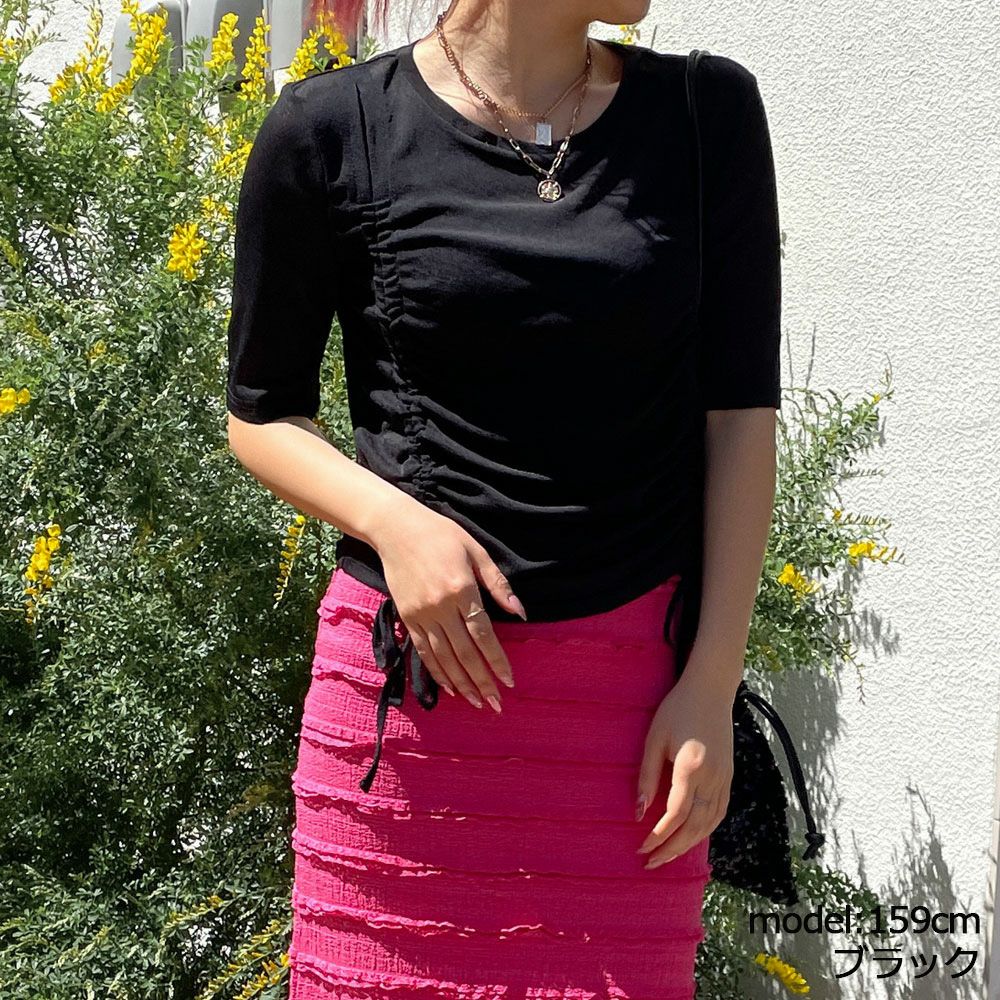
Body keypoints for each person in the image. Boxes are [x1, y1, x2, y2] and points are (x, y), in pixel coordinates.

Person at [225, 0, 783, 995]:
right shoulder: (331, 127)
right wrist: (394, 522)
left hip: (637, 726)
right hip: (413, 714)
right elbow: (261, 416)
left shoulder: (706, 116)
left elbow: (740, 417)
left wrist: (710, 684)